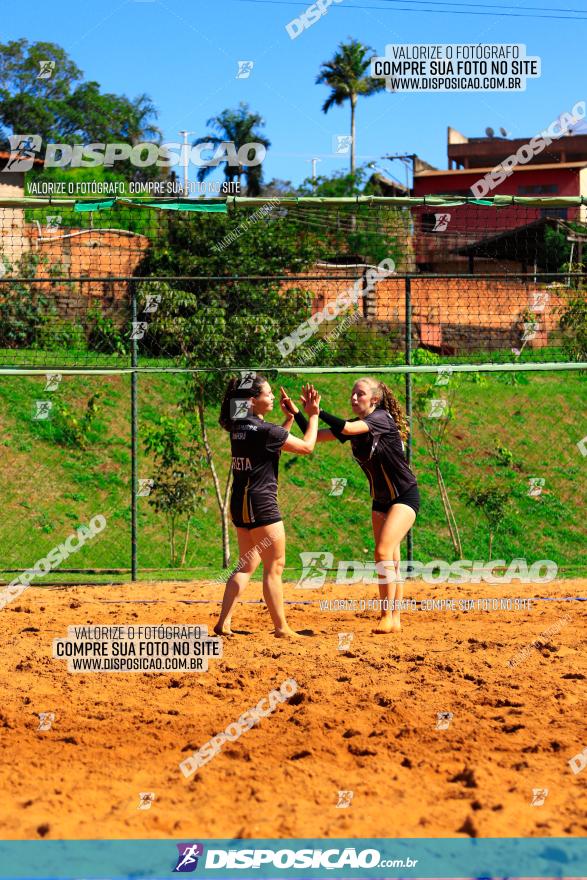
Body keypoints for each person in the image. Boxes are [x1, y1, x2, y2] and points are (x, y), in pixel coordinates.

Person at [283, 377, 419, 634]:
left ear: (375, 400)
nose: (354, 398)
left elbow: (344, 429)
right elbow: (315, 436)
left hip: (404, 495)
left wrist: (319, 411)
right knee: (392, 559)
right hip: (380, 499)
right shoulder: (358, 424)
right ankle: (393, 618)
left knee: (382, 552)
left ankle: (388, 617)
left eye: (360, 394)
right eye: (353, 394)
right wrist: (299, 413)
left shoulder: (381, 419)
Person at [214, 376, 320, 639]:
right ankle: (281, 627)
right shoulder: (264, 430)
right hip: (261, 504)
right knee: (275, 565)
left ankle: (223, 623)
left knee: (247, 564)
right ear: (252, 400)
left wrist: (289, 418)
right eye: (268, 394)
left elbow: (270, 445)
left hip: (241, 503)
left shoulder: (239, 424)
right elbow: (307, 447)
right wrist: (313, 415)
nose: (273, 397)